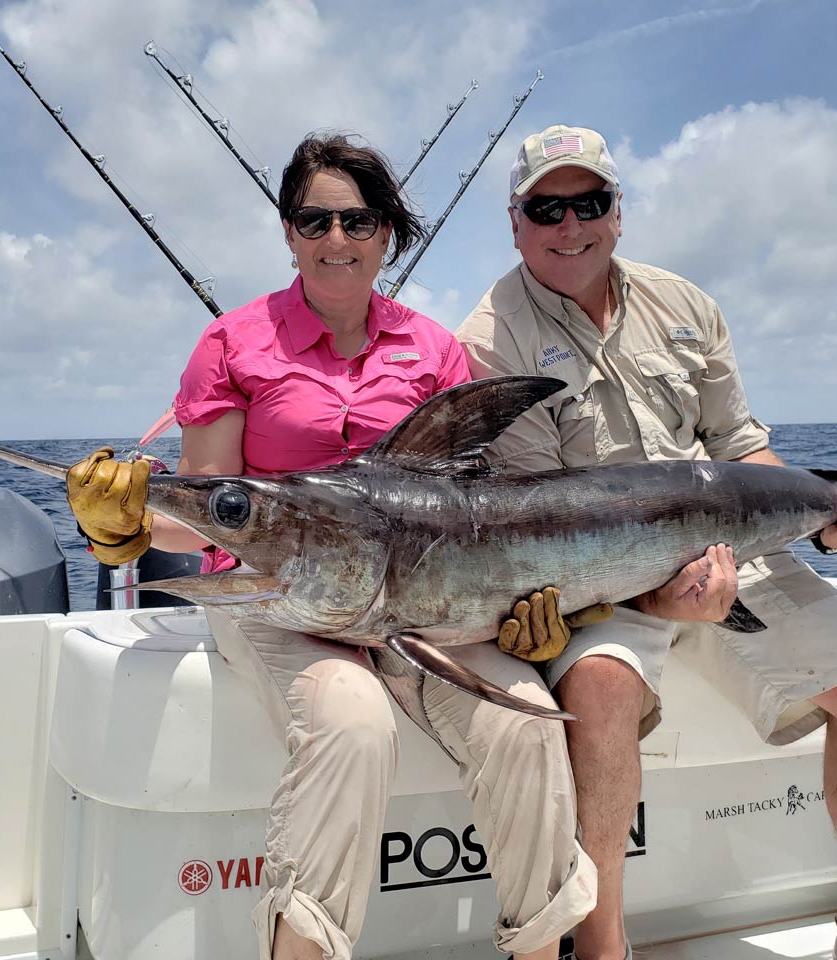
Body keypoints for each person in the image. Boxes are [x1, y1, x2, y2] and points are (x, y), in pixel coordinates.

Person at [64, 132, 597, 960]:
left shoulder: (434, 351)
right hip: (277, 601)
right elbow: (212, 502)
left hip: (421, 605)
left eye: (358, 221)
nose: (336, 240)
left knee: (525, 723)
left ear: (388, 233)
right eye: (314, 221)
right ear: (288, 232)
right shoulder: (233, 344)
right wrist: (127, 527)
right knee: (352, 725)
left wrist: (529, 611)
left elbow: (477, 517)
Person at [455, 125, 837, 960]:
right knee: (600, 691)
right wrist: (655, 595)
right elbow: (532, 522)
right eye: (547, 208)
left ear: (618, 209)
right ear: (515, 220)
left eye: (590, 202)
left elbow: (742, 450)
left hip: (729, 559)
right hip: (601, 584)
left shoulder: (686, 305)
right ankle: (604, 949)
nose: (571, 226)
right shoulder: (486, 340)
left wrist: (835, 511)